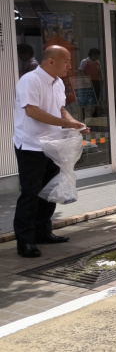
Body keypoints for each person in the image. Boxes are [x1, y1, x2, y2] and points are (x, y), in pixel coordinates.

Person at [13, 46, 88, 258]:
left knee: (48, 192)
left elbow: (60, 109)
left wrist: (74, 123)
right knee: (30, 193)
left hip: (52, 145)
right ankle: (25, 241)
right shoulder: (30, 80)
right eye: (66, 61)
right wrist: (66, 123)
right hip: (31, 146)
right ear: (51, 61)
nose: (70, 65)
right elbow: (32, 111)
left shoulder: (57, 83)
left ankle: (43, 232)